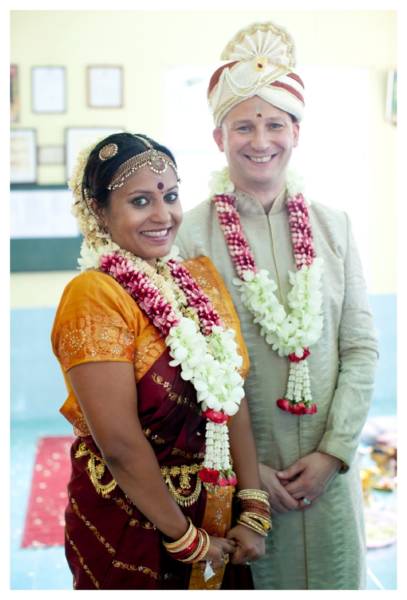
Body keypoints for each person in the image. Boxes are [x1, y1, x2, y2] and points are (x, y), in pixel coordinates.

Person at [176, 21, 378, 590]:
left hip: (330, 478)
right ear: (219, 137)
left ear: (297, 132)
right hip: (245, 485)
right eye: (243, 125)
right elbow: (185, 375)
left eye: (274, 123)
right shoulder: (188, 237)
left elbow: (361, 348)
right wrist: (248, 474)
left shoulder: (333, 226)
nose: (259, 140)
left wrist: (334, 453)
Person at [51, 132, 270, 590]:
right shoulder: (94, 296)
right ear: (99, 212)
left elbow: (233, 396)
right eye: (139, 201)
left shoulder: (198, 282)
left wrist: (253, 507)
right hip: (133, 520)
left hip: (217, 512)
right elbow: (120, 445)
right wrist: (185, 538)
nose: (162, 215)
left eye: (170, 196)